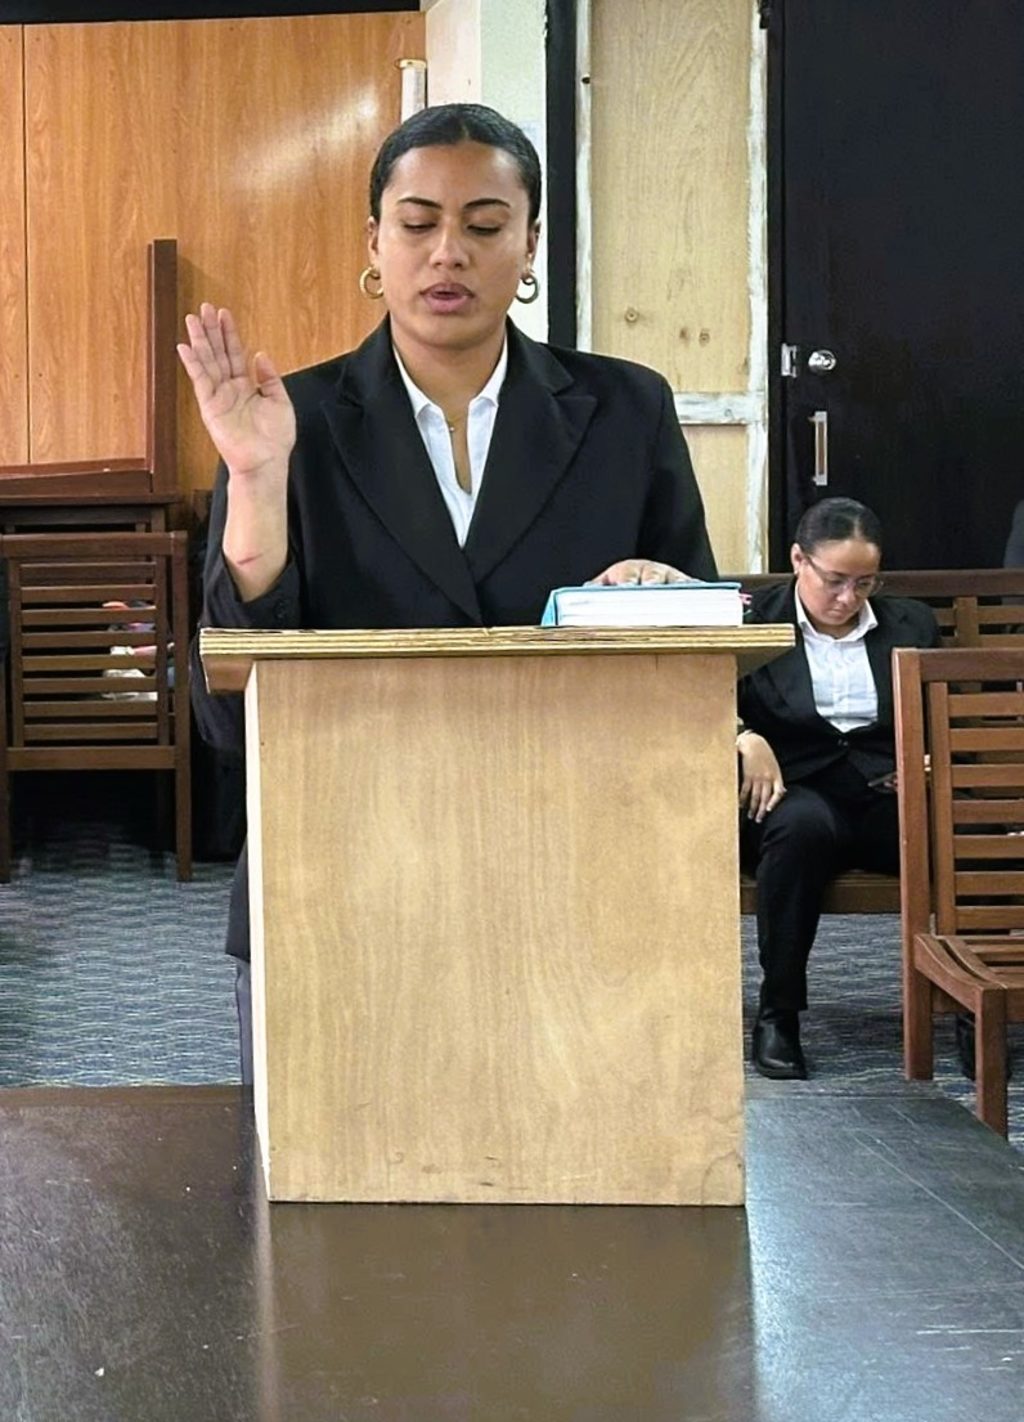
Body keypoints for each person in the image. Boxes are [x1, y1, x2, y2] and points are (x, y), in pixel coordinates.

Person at [177, 103, 717, 1081]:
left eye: (484, 224)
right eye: (418, 223)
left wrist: (660, 598)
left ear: (530, 244)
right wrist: (255, 480)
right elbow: (227, 720)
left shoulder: (625, 409)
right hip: (340, 875)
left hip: (575, 879)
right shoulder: (287, 420)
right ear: (373, 244)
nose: (448, 254)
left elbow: (703, 646)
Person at [737, 497, 939, 1081]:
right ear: (799, 560)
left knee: (960, 830)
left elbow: (938, 711)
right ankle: (779, 1016)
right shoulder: (752, 621)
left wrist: (928, 759)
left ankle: (972, 1003)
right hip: (792, 792)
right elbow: (694, 699)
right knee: (800, 830)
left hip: (883, 790)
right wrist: (743, 736)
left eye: (864, 583)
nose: (849, 598)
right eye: (834, 580)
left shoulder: (910, 624)